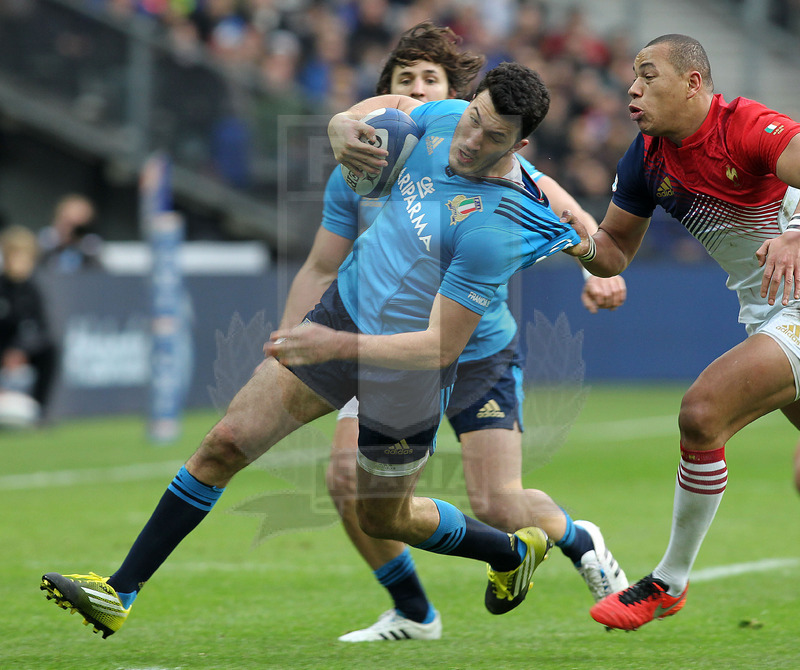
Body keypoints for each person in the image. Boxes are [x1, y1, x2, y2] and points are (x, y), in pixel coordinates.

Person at [40, 61, 595, 639]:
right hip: (346, 311)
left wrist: (598, 263)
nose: (471, 138)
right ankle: (117, 592)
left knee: (385, 515)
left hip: (409, 375)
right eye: (473, 118)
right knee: (225, 443)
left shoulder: (496, 225)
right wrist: (338, 123)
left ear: (519, 145)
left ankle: (506, 554)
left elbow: (438, 348)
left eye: (492, 137)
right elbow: (395, 112)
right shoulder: (445, 116)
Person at [280, 22, 628, 642]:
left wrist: (595, 263)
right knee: (345, 483)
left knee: (497, 503)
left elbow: (563, 210)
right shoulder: (361, 162)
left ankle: (579, 540)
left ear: (453, 99)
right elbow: (321, 264)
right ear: (389, 95)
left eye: (429, 81)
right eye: (403, 80)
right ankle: (414, 612)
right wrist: (291, 338)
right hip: (386, 342)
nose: (416, 90)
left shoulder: (486, 159)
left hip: (475, 348)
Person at [562, 34, 800, 631]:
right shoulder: (645, 158)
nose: (633, 89)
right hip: (767, 308)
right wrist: (563, 233)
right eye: (631, 79)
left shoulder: (746, 126)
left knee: (701, 413)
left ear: (694, 83)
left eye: (648, 75)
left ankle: (667, 582)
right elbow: (613, 251)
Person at [0, 225, 58, 423]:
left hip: (22, 350)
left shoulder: (33, 289)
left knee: (50, 350)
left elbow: (40, 327)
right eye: (15, 255)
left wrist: (20, 349)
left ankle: (40, 413)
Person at [37, 194, 104, 273]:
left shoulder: (89, 252)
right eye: (67, 223)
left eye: (77, 228)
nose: (70, 231)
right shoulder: (42, 246)